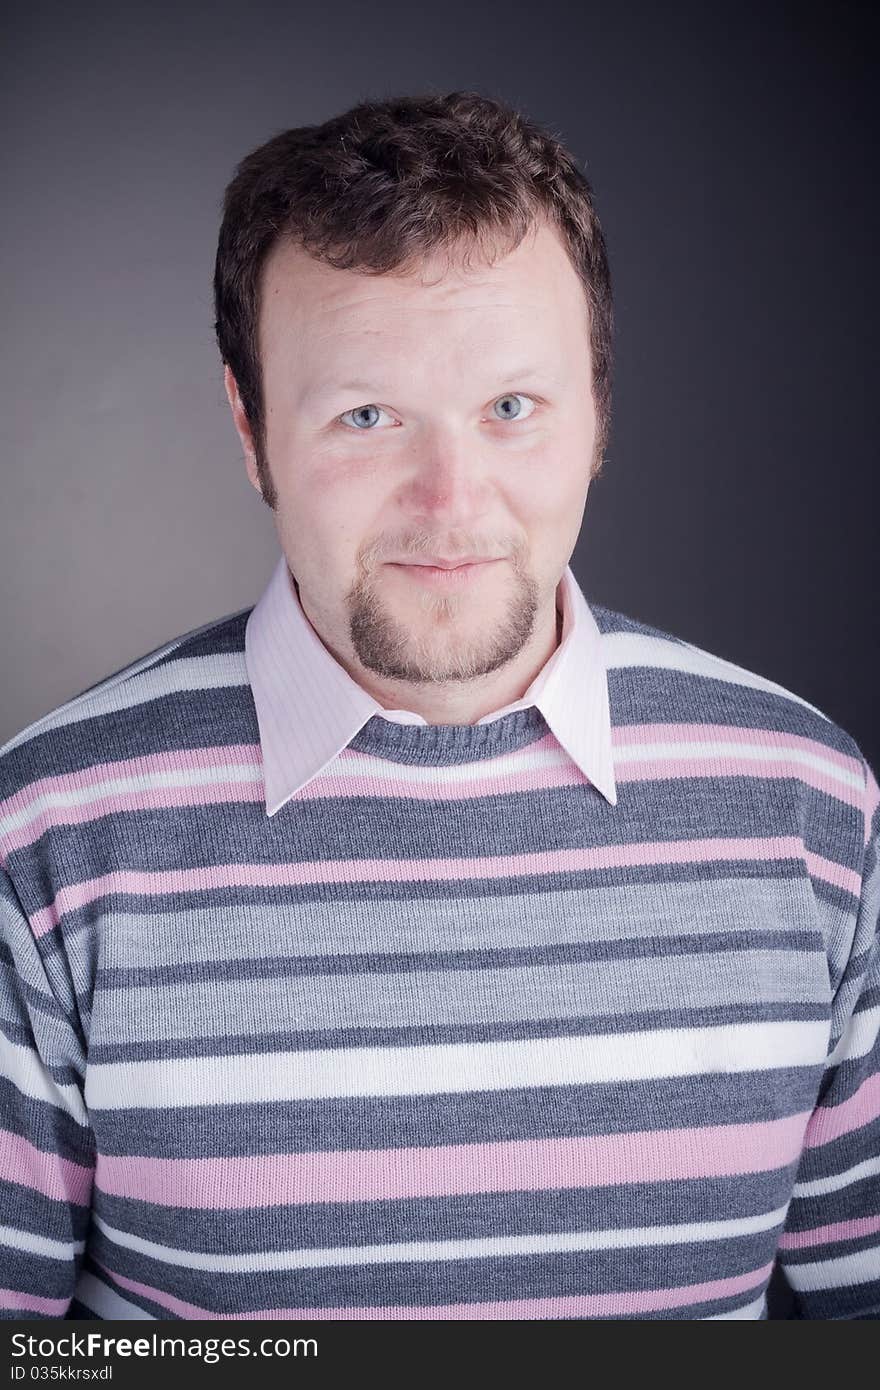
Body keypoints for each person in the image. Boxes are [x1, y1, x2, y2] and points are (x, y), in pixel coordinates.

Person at [0, 90, 877, 1323]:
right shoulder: (41, 836)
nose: (449, 499)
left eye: (511, 409)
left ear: (597, 417)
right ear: (252, 431)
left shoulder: (812, 808)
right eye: (366, 416)